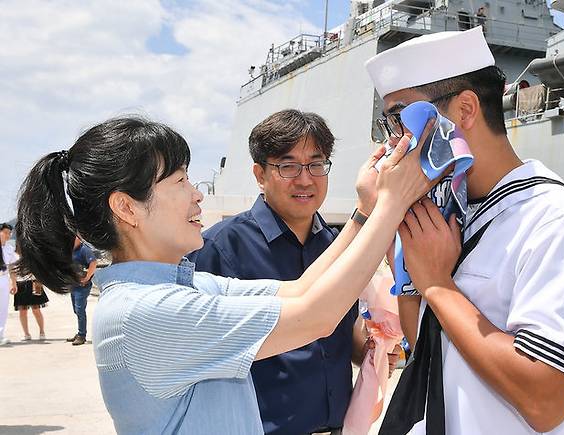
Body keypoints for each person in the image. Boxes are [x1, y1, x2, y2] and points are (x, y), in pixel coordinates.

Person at [13, 116, 435, 434]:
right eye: (180, 181)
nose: (198, 193)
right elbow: (315, 316)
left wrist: (365, 212)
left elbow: (301, 290)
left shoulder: (179, 285)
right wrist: (392, 204)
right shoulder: (146, 312)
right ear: (127, 207)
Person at [365, 27, 564, 434]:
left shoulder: (556, 220)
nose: (395, 141)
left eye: (400, 117)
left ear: (464, 110)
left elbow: (545, 399)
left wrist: (439, 286)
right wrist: (410, 262)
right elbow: (426, 347)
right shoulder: (453, 209)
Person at [190, 109, 384, 434]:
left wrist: (373, 346)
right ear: (259, 174)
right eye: (288, 165)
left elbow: (341, 337)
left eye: (316, 164)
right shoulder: (220, 247)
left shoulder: (337, 246)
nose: (305, 179)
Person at [67, 236, 97, 346]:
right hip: (73, 285)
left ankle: (82, 335)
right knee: (76, 310)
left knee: (80, 310)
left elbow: (93, 263)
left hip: (82, 285)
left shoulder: (84, 249)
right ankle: (80, 332)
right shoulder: (70, 250)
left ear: (79, 238)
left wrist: (87, 278)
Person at [0, 222, 18, 346]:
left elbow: (12, 267)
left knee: (3, 309)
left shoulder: (9, 249)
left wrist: (14, 283)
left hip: (4, 279)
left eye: (9, 233)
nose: (8, 235)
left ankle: (0, 335)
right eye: (5, 232)